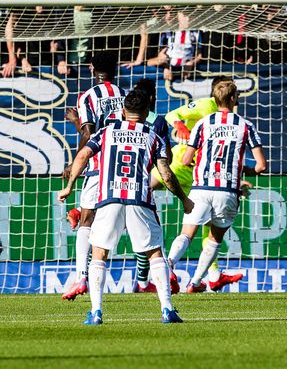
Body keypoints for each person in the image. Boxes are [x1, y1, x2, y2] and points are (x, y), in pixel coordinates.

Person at [59, 89, 193, 325]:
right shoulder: (154, 137)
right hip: (140, 200)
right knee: (154, 253)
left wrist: (69, 186)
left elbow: (82, 157)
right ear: (146, 113)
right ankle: (167, 310)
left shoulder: (105, 132)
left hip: (108, 199)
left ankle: (96, 313)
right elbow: (166, 173)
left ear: (123, 111)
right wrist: (184, 199)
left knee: (99, 253)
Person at [167, 79, 266, 293]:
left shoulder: (203, 123)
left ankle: (168, 265)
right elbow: (261, 166)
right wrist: (241, 170)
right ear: (233, 99)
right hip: (227, 191)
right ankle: (194, 283)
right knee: (214, 239)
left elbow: (185, 160)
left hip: (201, 187)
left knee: (186, 234)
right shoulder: (245, 125)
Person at [61, 52, 127, 301]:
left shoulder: (88, 96)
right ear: (114, 70)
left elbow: (89, 133)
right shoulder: (124, 94)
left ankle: (81, 277)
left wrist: (74, 162)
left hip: (98, 163)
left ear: (92, 69)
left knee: (86, 220)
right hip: (122, 165)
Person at [131, 79, 173, 293]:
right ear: (151, 98)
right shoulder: (158, 122)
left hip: (111, 183)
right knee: (149, 235)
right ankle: (144, 283)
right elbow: (167, 158)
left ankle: (83, 278)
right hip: (140, 186)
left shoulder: (117, 120)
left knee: (98, 237)